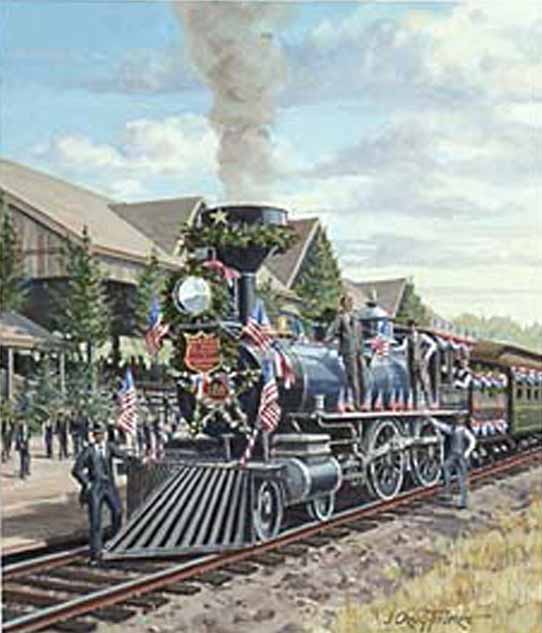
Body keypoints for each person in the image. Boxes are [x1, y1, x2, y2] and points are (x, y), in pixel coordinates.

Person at [71, 421, 136, 564]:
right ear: (93, 436)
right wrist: (87, 483)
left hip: (109, 486)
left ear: (104, 434)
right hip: (96, 487)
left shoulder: (109, 447)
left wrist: (137, 458)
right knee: (95, 521)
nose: (99, 436)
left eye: (101, 434)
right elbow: (76, 470)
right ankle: (96, 554)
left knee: (118, 512)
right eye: (96, 434)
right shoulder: (88, 451)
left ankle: (113, 542)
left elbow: (123, 455)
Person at [430, 415, 476, 509]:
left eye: (459, 420)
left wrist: (467, 453)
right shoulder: (453, 429)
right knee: (445, 467)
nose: (458, 421)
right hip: (453, 455)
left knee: (462, 477)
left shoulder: (464, 431)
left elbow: (473, 441)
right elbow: (442, 426)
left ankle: (463, 502)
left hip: (461, 456)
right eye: (457, 420)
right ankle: (447, 492)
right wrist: (431, 420)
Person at [326, 294, 363, 410]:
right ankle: (354, 403)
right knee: (352, 376)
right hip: (347, 351)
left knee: (361, 376)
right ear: (343, 305)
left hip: (358, 351)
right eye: (347, 303)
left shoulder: (356, 318)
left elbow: (360, 336)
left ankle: (360, 401)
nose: (349, 305)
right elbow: (332, 331)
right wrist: (327, 340)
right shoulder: (340, 318)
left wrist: (362, 350)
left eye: (350, 302)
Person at [406, 319, 437, 408]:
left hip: (421, 363)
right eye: (410, 326)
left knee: (424, 382)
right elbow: (403, 348)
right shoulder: (408, 338)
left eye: (412, 326)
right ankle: (415, 405)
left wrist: (427, 355)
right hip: (413, 363)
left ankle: (429, 403)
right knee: (414, 384)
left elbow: (433, 345)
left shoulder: (422, 336)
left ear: (415, 327)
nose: (411, 328)